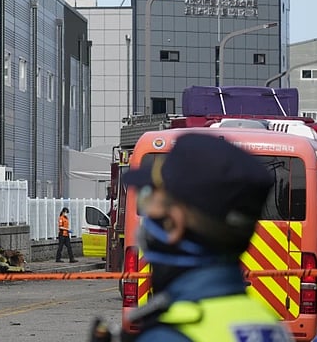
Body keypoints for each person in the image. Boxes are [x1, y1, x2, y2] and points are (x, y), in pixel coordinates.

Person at [114, 132, 290, 341]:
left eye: (150, 202)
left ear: (173, 225)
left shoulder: (171, 334)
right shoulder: (270, 326)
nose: (147, 216)